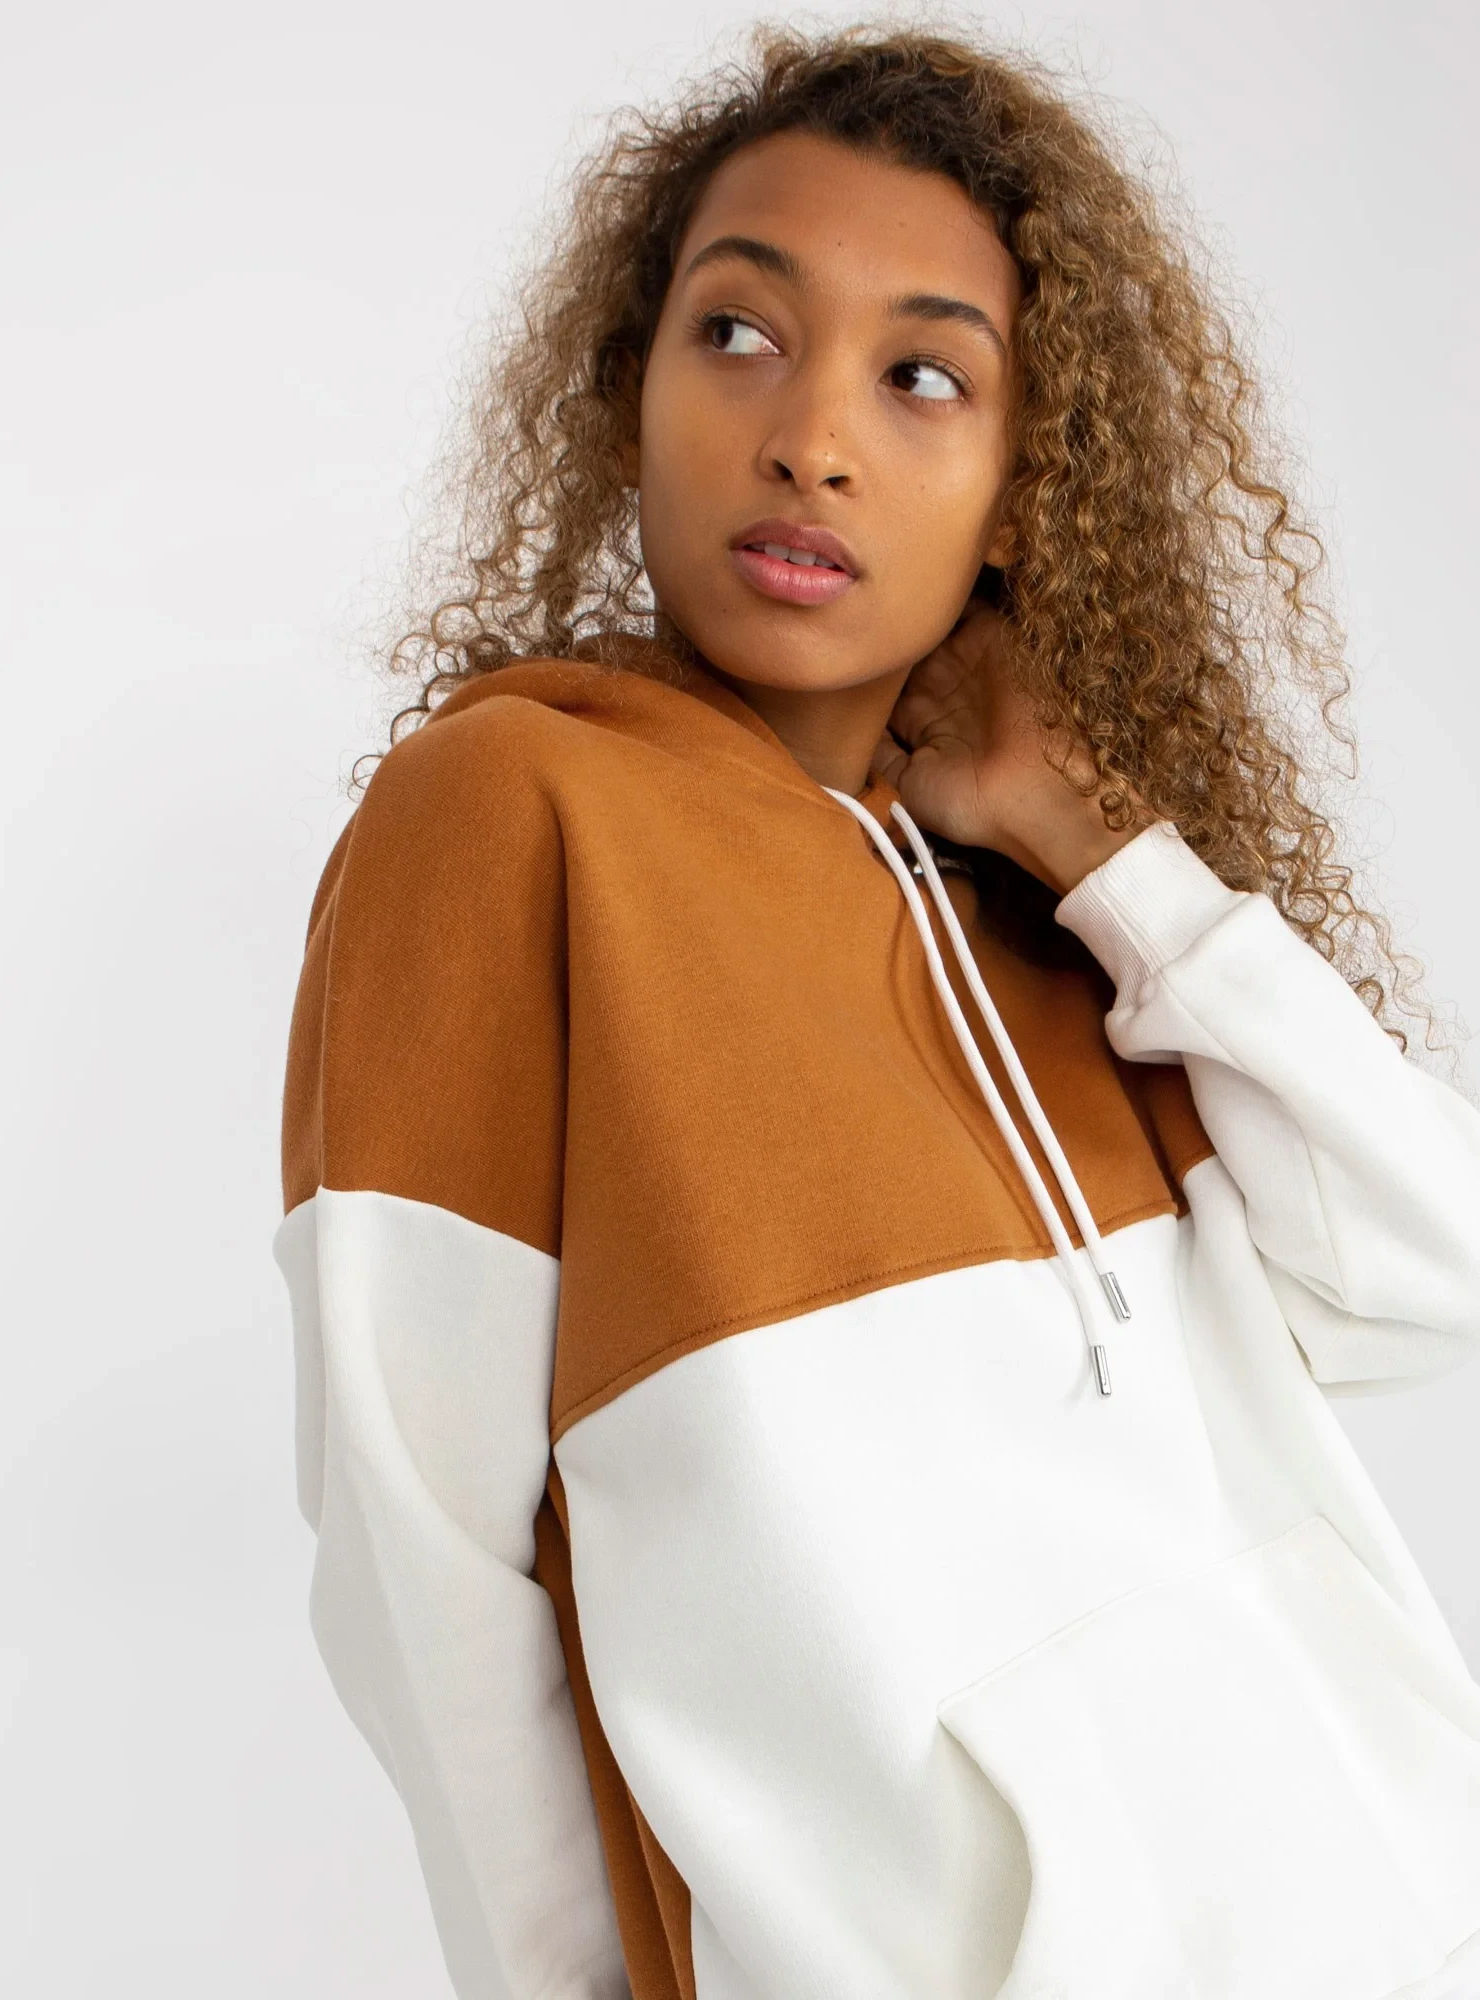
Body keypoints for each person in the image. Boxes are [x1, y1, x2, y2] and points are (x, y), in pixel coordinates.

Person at [272, 24, 1480, 2000]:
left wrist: (1105, 847)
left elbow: (1428, 1272)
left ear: (1023, 489)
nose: (810, 438)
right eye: (739, 335)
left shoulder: (1075, 930)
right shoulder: (512, 814)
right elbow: (422, 1570)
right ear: (631, 394)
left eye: (923, 376)